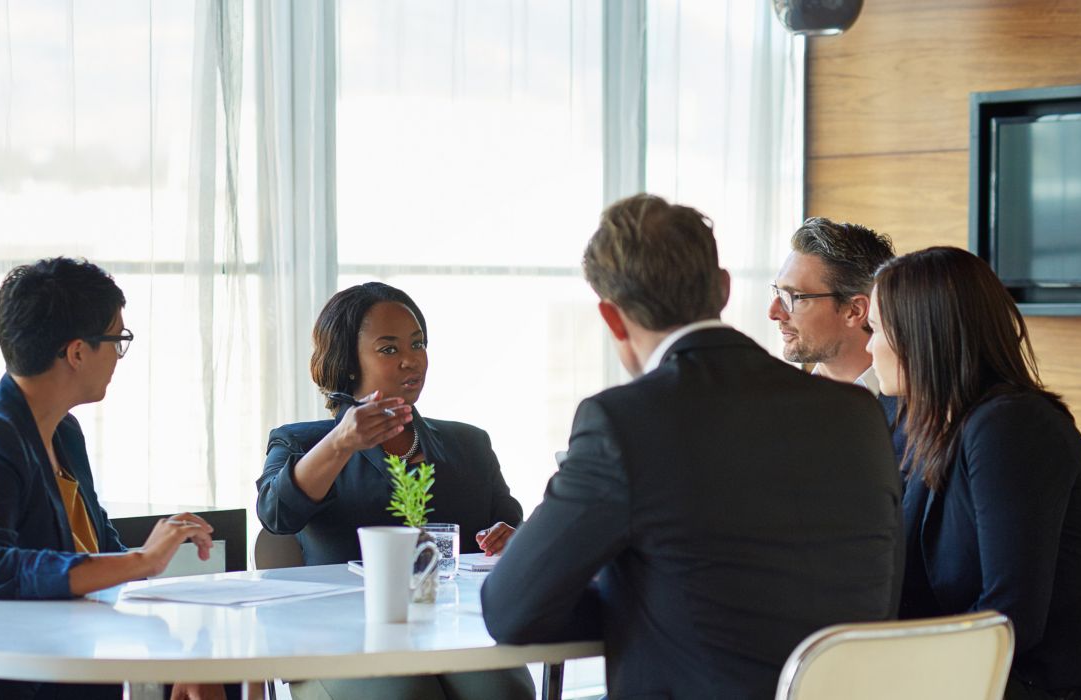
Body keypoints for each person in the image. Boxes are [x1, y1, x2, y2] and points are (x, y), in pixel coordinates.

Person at [482, 194, 902, 699]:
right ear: (723, 288)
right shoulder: (856, 413)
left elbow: (512, 610)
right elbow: (880, 589)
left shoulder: (621, 422)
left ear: (611, 318)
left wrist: (636, 601)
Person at [0, 257, 224, 700]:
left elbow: (101, 553)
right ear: (77, 352)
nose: (118, 357)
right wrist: (142, 561)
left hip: (53, 667)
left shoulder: (63, 433)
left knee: (214, 678)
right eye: (117, 340)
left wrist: (182, 646)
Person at [867, 247, 1081, 700]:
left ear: (920, 335)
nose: (869, 347)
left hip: (1056, 688)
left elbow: (1012, 615)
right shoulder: (933, 431)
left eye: (876, 329)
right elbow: (905, 587)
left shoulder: (1010, 426)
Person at [256, 281, 531, 700]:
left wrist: (509, 539)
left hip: (455, 632)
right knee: (405, 695)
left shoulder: (469, 444)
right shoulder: (300, 442)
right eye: (389, 349)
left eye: (417, 344)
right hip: (341, 640)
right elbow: (277, 515)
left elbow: (512, 530)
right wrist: (340, 442)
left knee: (503, 693)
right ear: (350, 363)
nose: (410, 360)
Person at [769, 217, 896, 393]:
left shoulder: (922, 404)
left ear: (855, 310)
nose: (773, 312)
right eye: (778, 292)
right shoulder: (783, 399)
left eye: (796, 297)